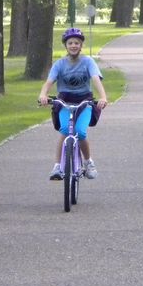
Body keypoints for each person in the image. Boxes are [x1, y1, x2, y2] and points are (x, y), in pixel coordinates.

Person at [38, 27, 108, 180]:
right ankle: (57, 167)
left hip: (84, 102)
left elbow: (95, 79)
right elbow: (49, 82)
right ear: (66, 46)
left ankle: (88, 162)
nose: (73, 45)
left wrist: (102, 97)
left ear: (81, 45)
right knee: (65, 131)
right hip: (64, 102)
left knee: (80, 132)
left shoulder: (88, 62)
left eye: (77, 43)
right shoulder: (59, 64)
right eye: (70, 43)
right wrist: (43, 94)